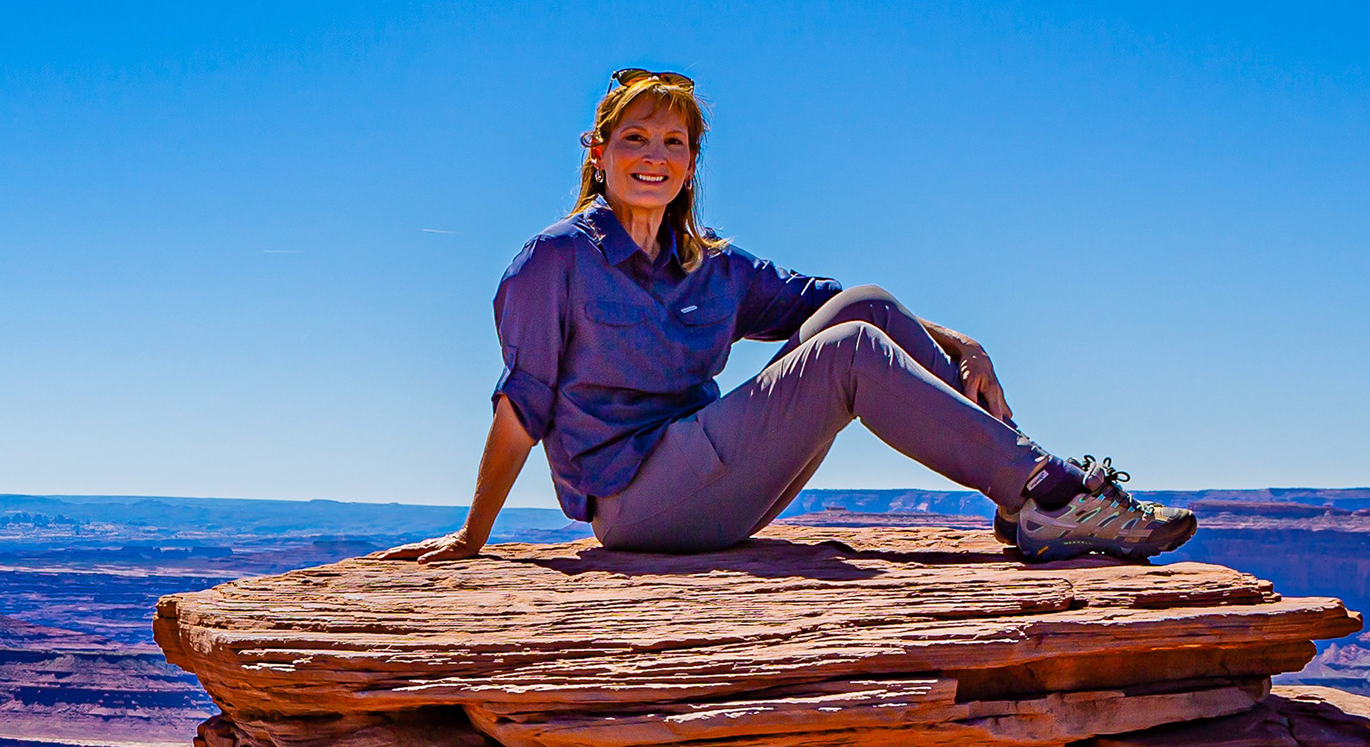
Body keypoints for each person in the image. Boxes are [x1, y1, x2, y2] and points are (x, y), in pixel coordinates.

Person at [390, 69, 1198, 564]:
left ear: (691, 163)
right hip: (638, 503)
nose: (654, 156)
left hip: (709, 470)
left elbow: (835, 304)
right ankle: (1050, 493)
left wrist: (962, 341)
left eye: (673, 142)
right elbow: (521, 405)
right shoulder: (554, 261)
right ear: (597, 153)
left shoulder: (712, 264)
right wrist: (472, 537)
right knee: (847, 351)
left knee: (866, 308)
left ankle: (1027, 494)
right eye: (634, 137)